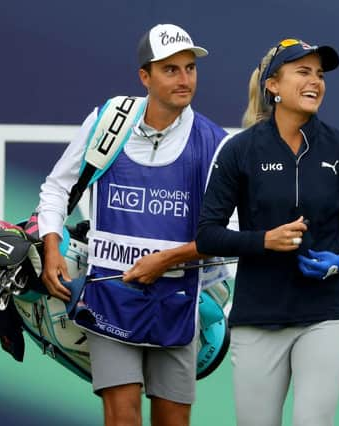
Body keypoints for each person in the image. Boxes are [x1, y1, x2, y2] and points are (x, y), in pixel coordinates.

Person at [36, 23, 227, 426]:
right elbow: (57, 188)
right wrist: (51, 246)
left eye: (190, 68)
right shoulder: (109, 121)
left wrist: (166, 260)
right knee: (122, 418)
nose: (184, 79)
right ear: (145, 76)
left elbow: (225, 234)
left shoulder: (213, 141)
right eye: (170, 69)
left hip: (177, 304)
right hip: (111, 301)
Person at [196, 38, 339, 426]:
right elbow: (208, 235)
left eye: (319, 74)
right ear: (273, 85)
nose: (315, 81)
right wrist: (265, 240)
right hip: (257, 317)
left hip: (325, 315)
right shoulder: (240, 151)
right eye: (303, 71)